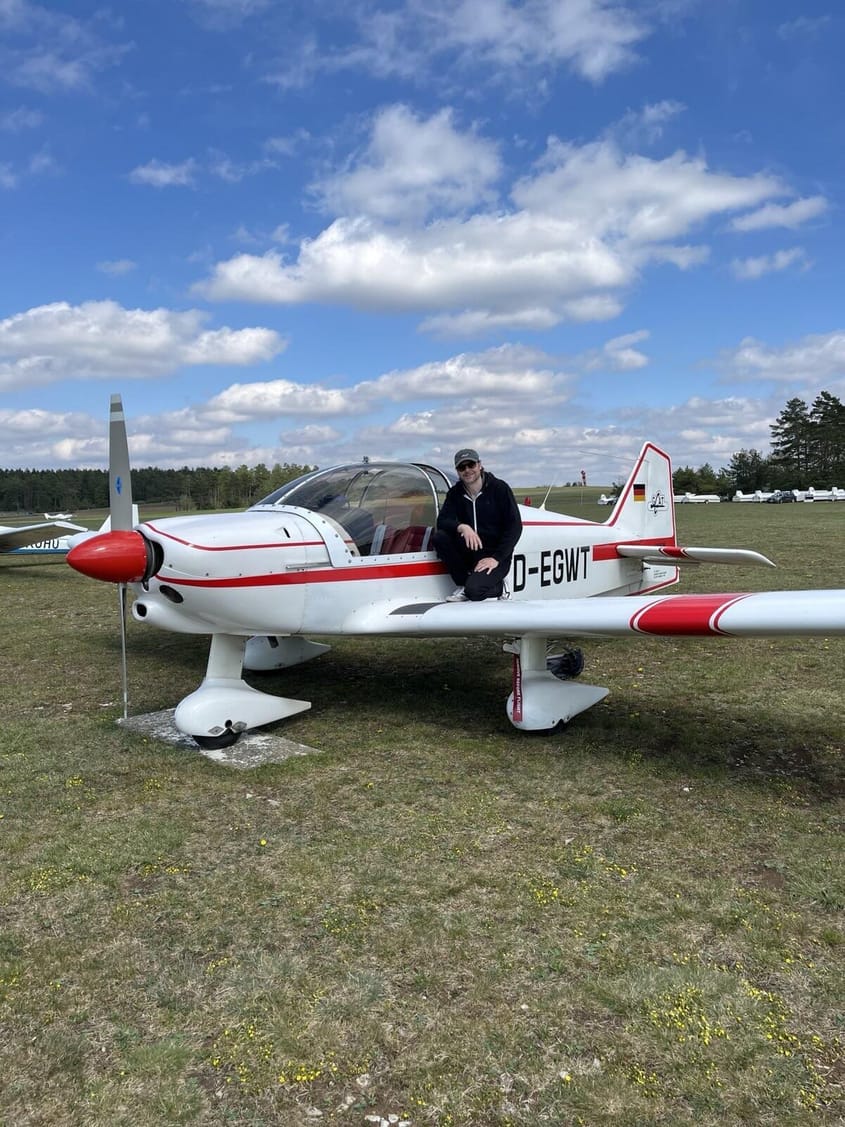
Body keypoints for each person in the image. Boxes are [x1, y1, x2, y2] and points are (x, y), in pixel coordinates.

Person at [433, 447, 522, 602]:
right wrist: (462, 527)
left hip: (494, 556)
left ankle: (501, 586)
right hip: (470, 554)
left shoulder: (499, 489)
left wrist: (497, 558)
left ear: (479, 465)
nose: (467, 470)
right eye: (462, 467)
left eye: (471, 465)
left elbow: (515, 527)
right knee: (440, 537)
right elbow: (442, 521)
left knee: (474, 592)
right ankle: (462, 584)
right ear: (458, 471)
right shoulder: (455, 494)